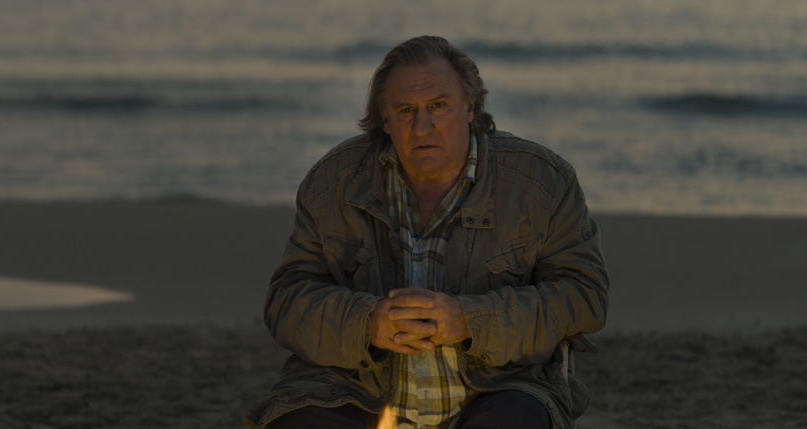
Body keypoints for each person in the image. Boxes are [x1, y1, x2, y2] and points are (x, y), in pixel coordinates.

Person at [244, 35, 608, 429]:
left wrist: (469, 320)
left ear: (470, 106)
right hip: (349, 390)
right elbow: (286, 302)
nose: (422, 126)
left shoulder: (541, 183)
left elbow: (584, 295)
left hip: (500, 388)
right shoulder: (333, 184)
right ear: (385, 120)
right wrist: (367, 323)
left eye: (438, 105)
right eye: (406, 110)